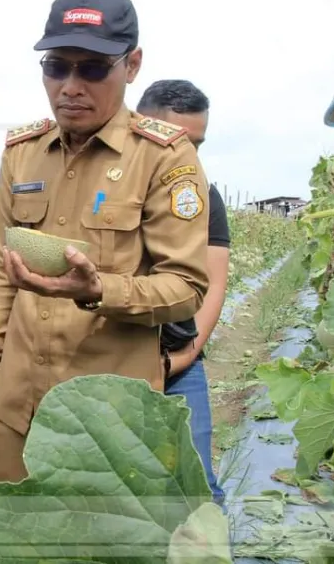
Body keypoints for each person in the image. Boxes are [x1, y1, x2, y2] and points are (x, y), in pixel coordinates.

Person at [0, 0, 211, 486]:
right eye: (56, 67)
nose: (70, 86)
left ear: (132, 65)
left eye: (93, 68)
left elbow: (187, 288)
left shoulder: (163, 157)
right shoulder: (23, 153)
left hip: (109, 423)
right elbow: (0, 280)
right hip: (18, 411)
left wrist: (102, 291)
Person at [136, 79, 230, 507]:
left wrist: (187, 355)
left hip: (176, 362)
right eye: (177, 140)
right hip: (112, 362)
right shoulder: (109, 185)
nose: (187, 155)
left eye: (197, 144)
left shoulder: (202, 197)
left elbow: (213, 283)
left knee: (198, 488)